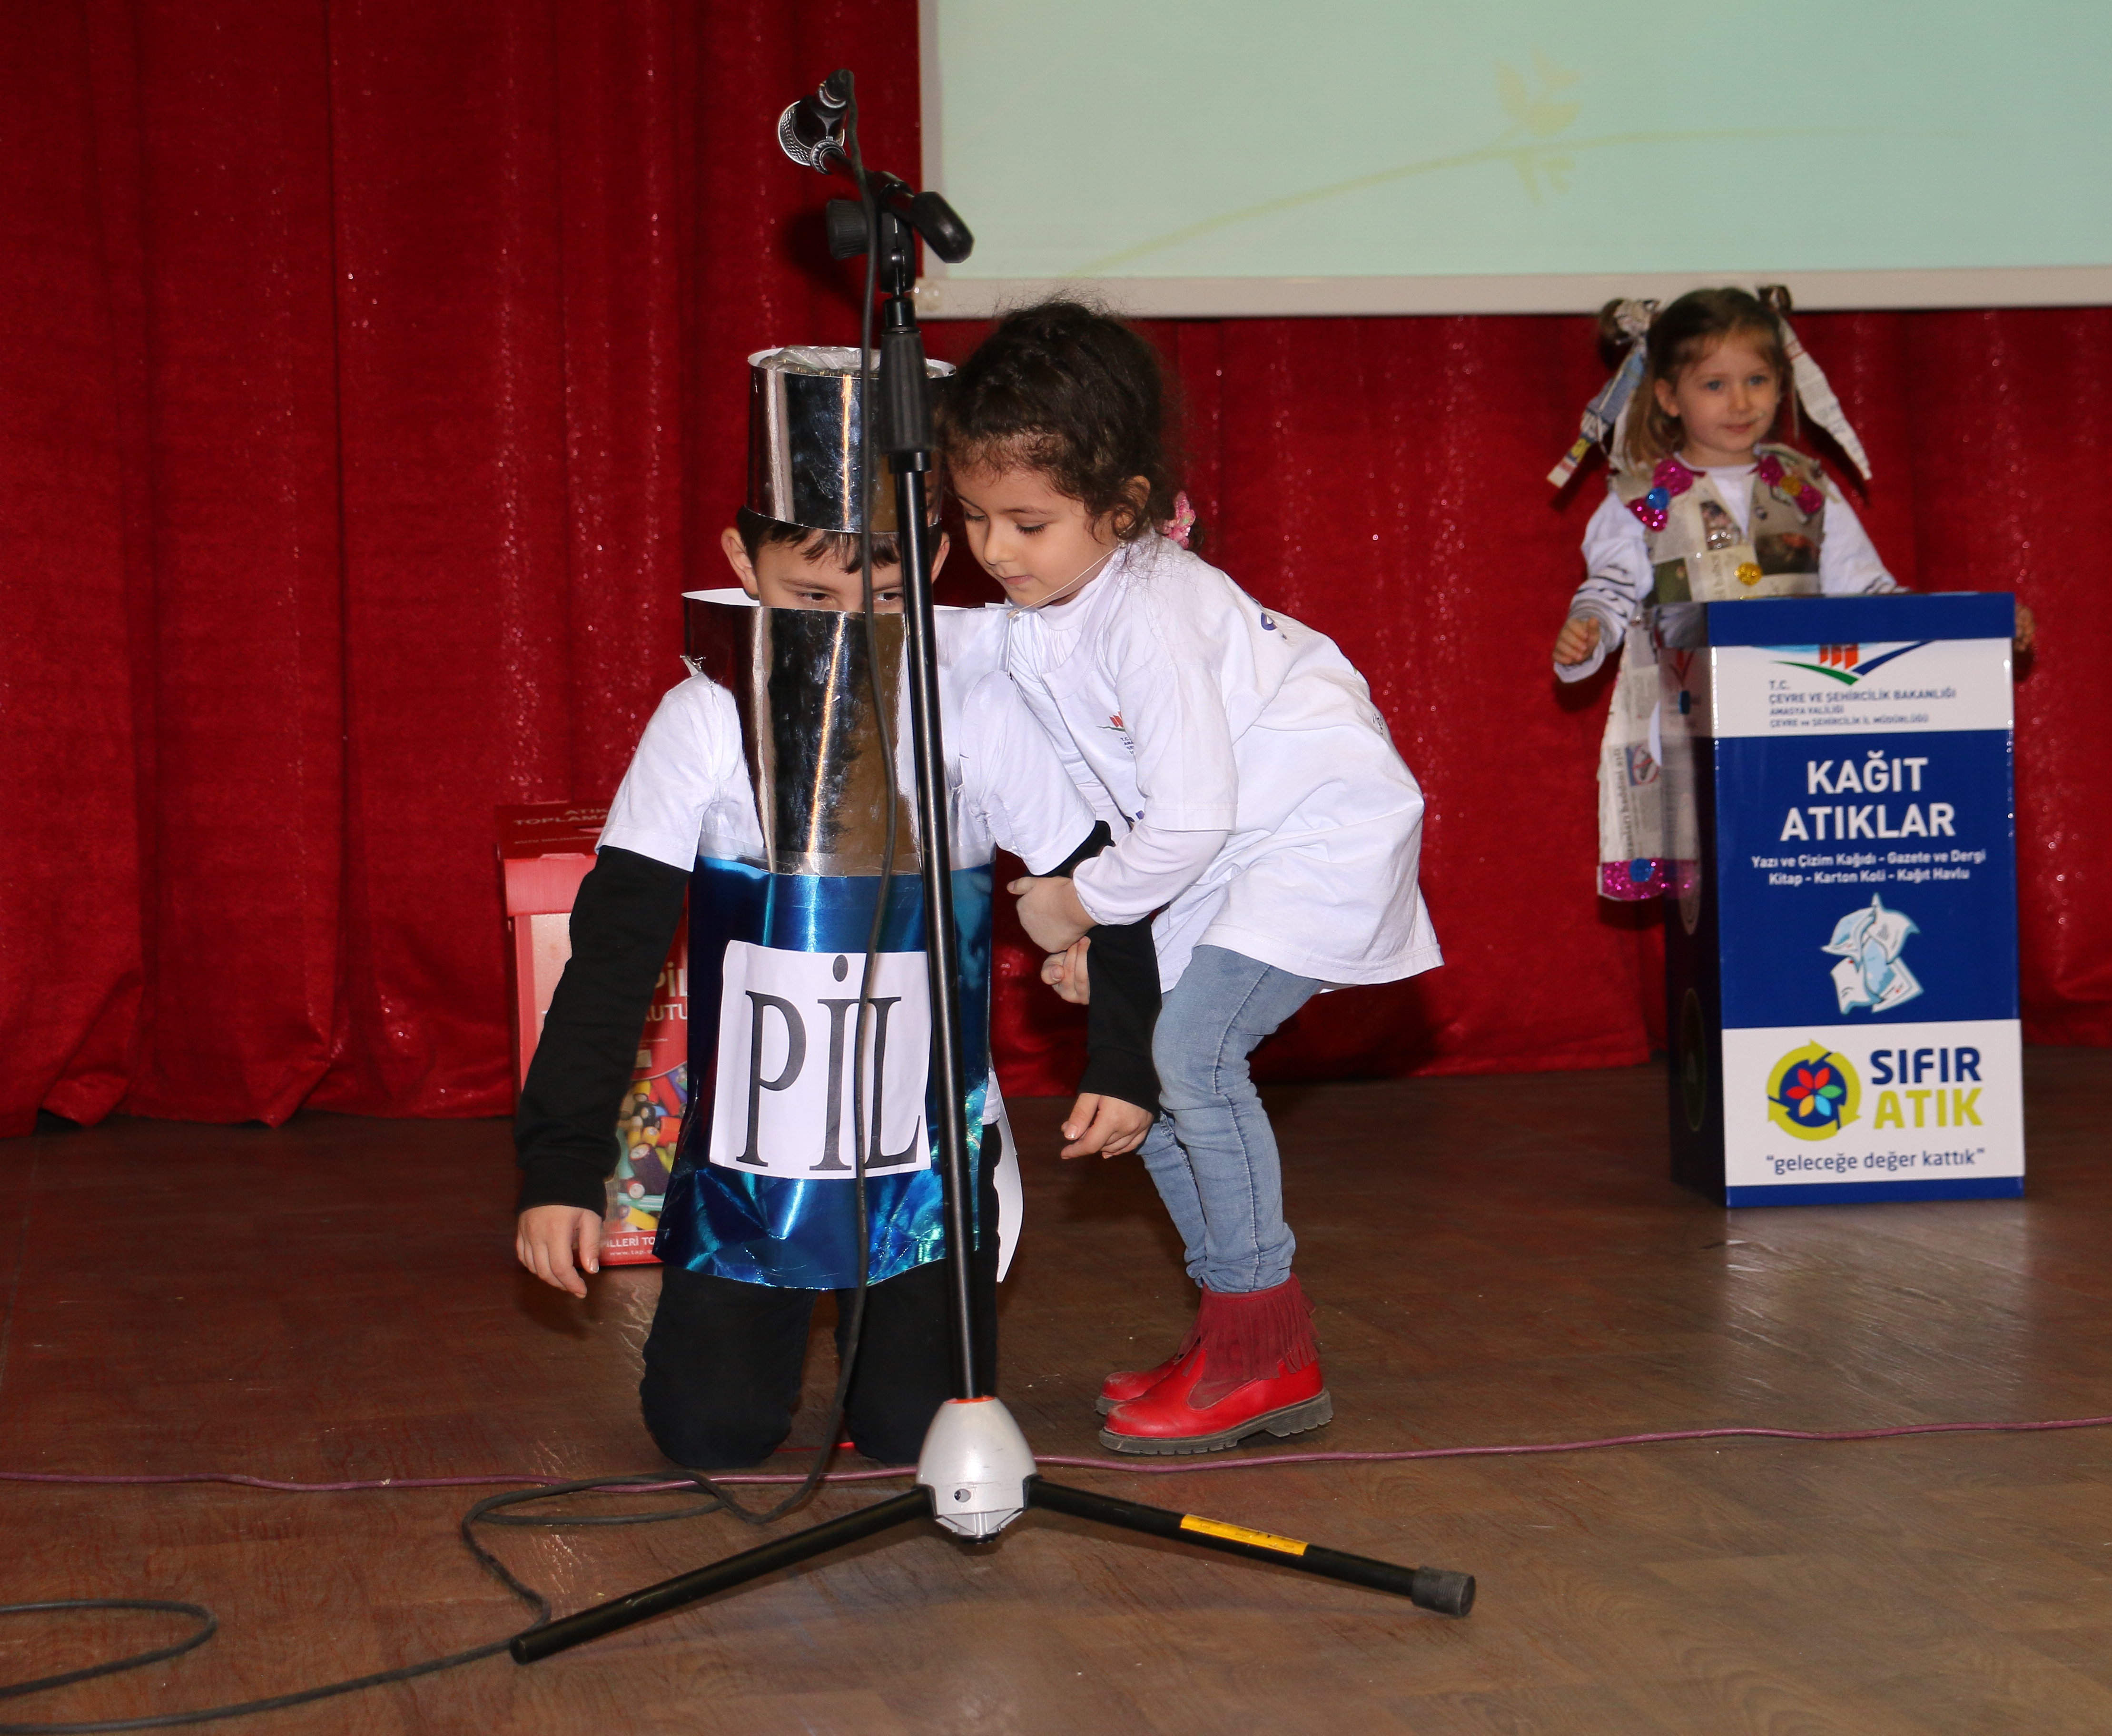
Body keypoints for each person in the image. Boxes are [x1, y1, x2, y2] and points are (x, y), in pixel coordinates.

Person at [513, 345, 1159, 1469]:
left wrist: (1121, 1054)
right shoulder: (702, 720)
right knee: (712, 1435)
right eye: (810, 598)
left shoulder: (970, 701)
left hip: (927, 1153)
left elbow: (1108, 873)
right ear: (739, 559)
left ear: (939, 554)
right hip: (753, 1159)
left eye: (887, 593)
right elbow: (615, 948)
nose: (847, 630)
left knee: (918, 1434)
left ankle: (895, 1330)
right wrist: (559, 1169)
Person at [936, 300, 1441, 1457]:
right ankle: (1239, 1336)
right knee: (1156, 1078)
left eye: (1026, 521)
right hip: (1223, 853)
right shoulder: (1062, 599)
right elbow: (985, 660)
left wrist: (1074, 905)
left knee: (1187, 1058)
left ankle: (1263, 1345)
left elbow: (1190, 820)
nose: (996, 551)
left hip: (1311, 840)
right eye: (972, 518)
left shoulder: (1151, 616)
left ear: (1119, 507)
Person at [1550, 288, 2033, 900]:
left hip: (1805, 722)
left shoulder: (1806, 488)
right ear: (1669, 397)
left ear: (1783, 383)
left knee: (1800, 876)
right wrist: (1589, 627)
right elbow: (1613, 591)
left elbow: (1869, 591)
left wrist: (1977, 630)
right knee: (1724, 889)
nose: (1742, 401)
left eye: (1757, 379)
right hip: (1694, 728)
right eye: (1715, 385)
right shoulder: (1638, 500)